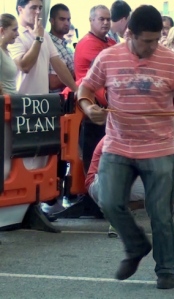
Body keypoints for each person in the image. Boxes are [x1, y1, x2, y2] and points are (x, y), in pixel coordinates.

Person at [77, 5, 174, 288]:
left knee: (161, 213)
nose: (153, 46)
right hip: (117, 144)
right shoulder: (108, 57)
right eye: (147, 40)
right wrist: (88, 108)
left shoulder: (172, 61)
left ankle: (166, 270)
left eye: (157, 39)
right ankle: (136, 246)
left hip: (159, 147)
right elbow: (84, 90)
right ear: (129, 34)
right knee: (108, 201)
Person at [10, 0, 78, 218]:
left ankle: (33, 208)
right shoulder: (13, 35)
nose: (38, 11)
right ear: (20, 9)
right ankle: (17, 210)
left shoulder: (43, 35)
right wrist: (38, 37)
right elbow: (24, 65)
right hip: (19, 106)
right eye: (33, 8)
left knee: (39, 159)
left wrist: (78, 90)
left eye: (41, 8)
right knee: (19, 160)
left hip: (40, 107)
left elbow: (59, 65)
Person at [86, 137, 174, 237]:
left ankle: (123, 213)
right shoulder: (117, 136)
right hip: (99, 181)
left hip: (124, 180)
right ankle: (117, 215)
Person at [74, 5, 116, 173]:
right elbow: (111, 71)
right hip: (90, 107)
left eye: (108, 19)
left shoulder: (110, 42)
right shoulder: (87, 43)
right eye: (101, 19)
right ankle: (91, 194)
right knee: (94, 158)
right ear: (91, 20)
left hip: (107, 106)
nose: (106, 22)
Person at [1, 13, 19, 185]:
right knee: (5, 155)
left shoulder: (6, 51)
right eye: (14, 30)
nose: (17, 34)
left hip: (11, 108)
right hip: (4, 110)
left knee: (10, 154)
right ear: (2, 30)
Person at [48, 4, 74, 93]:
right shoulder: (47, 44)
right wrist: (77, 72)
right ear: (52, 21)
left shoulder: (67, 46)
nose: (67, 23)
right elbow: (53, 83)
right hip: (57, 102)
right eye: (62, 19)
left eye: (68, 19)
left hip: (71, 99)